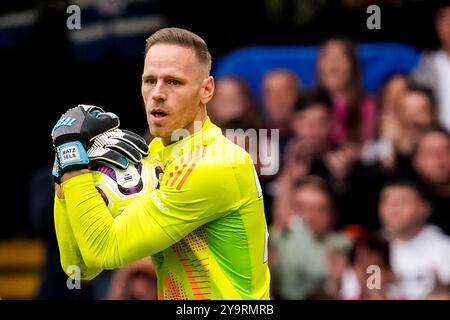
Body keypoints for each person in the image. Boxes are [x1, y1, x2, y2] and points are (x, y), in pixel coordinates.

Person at [51, 27, 270, 300]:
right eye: (149, 80)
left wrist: (73, 163)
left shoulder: (215, 164)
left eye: (174, 82)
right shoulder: (151, 154)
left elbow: (105, 249)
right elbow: (81, 267)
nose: (157, 93)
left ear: (206, 89)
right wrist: (64, 180)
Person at [378, 179, 450, 299]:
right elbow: (370, 289)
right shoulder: (372, 248)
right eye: (387, 202)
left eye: (402, 202)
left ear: (424, 209)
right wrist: (376, 287)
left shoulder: (445, 248)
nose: (393, 208)